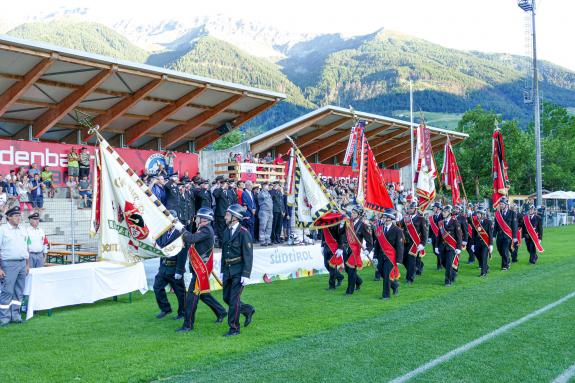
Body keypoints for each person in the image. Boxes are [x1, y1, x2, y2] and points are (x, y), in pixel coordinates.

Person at [175, 208, 227, 332]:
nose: (196, 219)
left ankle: (188, 325)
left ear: (205, 219)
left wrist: (180, 228)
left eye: (198, 217)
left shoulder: (206, 230)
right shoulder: (203, 229)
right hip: (198, 269)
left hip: (200, 271)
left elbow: (191, 239)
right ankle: (221, 312)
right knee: (203, 294)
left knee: (191, 298)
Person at [220, 204, 255, 336]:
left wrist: (246, 274)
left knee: (234, 300)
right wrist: (223, 269)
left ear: (235, 217)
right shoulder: (226, 231)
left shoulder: (244, 233)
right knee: (227, 298)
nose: (225, 217)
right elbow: (224, 253)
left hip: (239, 271)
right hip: (228, 270)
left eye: (227, 215)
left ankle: (234, 328)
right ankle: (247, 309)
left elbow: (248, 255)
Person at [152, 211, 187, 320]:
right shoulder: (163, 232)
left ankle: (182, 313)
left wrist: (179, 271)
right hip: (164, 267)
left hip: (175, 267)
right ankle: (165, 309)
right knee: (157, 287)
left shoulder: (181, 232)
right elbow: (162, 250)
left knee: (180, 293)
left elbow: (183, 253)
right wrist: (160, 265)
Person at [0, 206, 30, 326]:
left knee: (18, 291)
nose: (19, 218)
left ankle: (16, 316)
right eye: (16, 216)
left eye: (19, 215)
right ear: (9, 217)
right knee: (7, 291)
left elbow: (26, 248)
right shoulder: (2, 229)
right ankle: (4, 318)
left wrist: (27, 265)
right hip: (8, 264)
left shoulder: (23, 229)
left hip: (22, 263)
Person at [372, 208, 404, 299]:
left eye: (386, 217)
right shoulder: (379, 229)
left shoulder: (398, 230)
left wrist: (399, 260)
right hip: (381, 256)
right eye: (383, 217)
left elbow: (400, 246)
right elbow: (377, 244)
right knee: (381, 273)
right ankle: (394, 285)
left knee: (386, 275)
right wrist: (375, 256)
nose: (384, 219)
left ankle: (386, 295)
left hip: (391, 257)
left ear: (391, 218)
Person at [343, 206, 373, 295]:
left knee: (352, 271)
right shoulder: (348, 222)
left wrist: (368, 249)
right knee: (347, 269)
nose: (352, 214)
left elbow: (369, 240)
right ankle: (359, 281)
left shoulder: (363, 225)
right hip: (346, 248)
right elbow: (341, 233)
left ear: (359, 215)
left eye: (354, 213)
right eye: (352, 212)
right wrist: (341, 225)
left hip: (355, 250)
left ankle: (349, 291)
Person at [400, 201, 427, 284]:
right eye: (409, 208)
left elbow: (424, 232)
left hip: (414, 243)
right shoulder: (405, 218)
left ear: (415, 209)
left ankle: (410, 278)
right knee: (402, 259)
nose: (409, 210)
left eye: (411, 208)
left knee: (411, 260)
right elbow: (399, 226)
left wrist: (422, 244)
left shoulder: (421, 219)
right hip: (405, 242)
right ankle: (414, 269)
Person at [435, 205, 462, 286]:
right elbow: (439, 235)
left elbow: (459, 236)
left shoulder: (455, 222)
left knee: (449, 264)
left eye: (445, 211)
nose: (443, 213)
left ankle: (448, 281)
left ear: (450, 213)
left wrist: (459, 247)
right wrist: (436, 246)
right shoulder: (441, 223)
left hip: (451, 247)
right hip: (442, 246)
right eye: (443, 211)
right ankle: (453, 273)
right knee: (443, 262)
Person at [320, 213, 345, 290]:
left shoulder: (337, 224)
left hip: (334, 247)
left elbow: (341, 236)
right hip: (326, 246)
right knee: (326, 265)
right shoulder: (324, 224)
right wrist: (322, 245)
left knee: (332, 267)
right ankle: (340, 277)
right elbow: (323, 235)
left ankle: (332, 286)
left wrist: (340, 248)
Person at [493, 197, 518, 271]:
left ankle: (505, 266)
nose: (500, 205)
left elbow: (514, 225)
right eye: (500, 204)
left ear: (506, 205)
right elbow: (496, 226)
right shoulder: (498, 214)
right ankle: (507, 260)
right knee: (500, 250)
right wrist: (494, 235)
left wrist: (514, 237)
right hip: (499, 235)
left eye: (502, 204)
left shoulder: (512, 213)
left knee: (504, 250)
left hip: (508, 236)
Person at [470, 205, 493, 277]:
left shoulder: (488, 222)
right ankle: (486, 266)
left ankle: (483, 272)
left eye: (479, 213)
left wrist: (491, 244)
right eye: (477, 213)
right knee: (477, 255)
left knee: (483, 256)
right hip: (477, 242)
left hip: (485, 242)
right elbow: (473, 234)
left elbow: (490, 233)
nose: (478, 215)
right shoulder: (475, 222)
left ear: (483, 214)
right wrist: (473, 244)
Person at [213, 179, 233, 247]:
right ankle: (222, 244)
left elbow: (232, 201)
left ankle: (227, 242)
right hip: (220, 214)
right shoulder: (218, 190)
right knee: (221, 230)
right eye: (225, 184)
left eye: (227, 184)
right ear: (221, 184)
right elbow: (215, 195)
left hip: (228, 214)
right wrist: (221, 187)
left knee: (228, 228)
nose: (226, 185)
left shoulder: (229, 192)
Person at [428, 202, 443, 270]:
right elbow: (431, 227)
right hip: (434, 236)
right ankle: (443, 260)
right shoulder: (433, 217)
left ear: (439, 209)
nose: (433, 208)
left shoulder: (442, 216)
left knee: (439, 251)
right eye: (433, 207)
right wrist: (429, 237)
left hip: (440, 237)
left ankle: (439, 265)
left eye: (435, 207)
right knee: (435, 251)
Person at [257, 182, 273, 246]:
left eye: (267, 185)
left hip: (270, 211)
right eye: (266, 185)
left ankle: (268, 240)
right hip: (264, 211)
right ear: (263, 186)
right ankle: (262, 241)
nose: (267, 186)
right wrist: (264, 189)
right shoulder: (261, 193)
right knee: (263, 227)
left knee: (269, 227)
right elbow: (263, 197)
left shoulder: (268, 193)